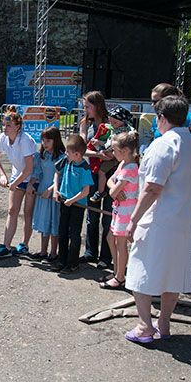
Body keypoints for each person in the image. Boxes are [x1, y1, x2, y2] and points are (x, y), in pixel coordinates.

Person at [123, 95, 191, 343]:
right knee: (172, 273)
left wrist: (133, 220)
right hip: (183, 221)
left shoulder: (164, 144)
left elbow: (152, 188)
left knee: (140, 272)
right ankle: (164, 323)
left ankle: (144, 326)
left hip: (157, 220)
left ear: (162, 118)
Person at [0, 109, 38, 258]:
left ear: (18, 126)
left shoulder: (25, 140)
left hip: (32, 178)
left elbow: (30, 168)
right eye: (4, 124)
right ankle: (5, 246)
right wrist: (3, 175)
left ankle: (24, 244)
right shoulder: (3, 138)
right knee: (12, 210)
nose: (4, 128)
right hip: (18, 175)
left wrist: (15, 183)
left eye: (8, 125)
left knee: (27, 212)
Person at [100, 131, 140, 290]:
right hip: (119, 208)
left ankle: (120, 276)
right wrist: (115, 189)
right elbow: (111, 182)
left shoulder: (130, 168)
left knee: (120, 243)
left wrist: (115, 190)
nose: (113, 153)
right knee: (111, 238)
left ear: (124, 151)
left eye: (115, 151)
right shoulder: (123, 165)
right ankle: (118, 270)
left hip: (126, 210)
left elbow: (112, 192)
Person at [79, 91, 113, 269]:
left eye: (87, 106)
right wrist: (97, 154)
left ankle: (106, 257)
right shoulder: (86, 123)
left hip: (110, 173)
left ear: (97, 106)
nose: (85, 110)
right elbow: (81, 148)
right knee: (91, 213)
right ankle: (90, 252)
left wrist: (108, 155)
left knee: (107, 215)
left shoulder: (111, 122)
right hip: (91, 172)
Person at [53, 134, 93, 273]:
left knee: (74, 234)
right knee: (62, 232)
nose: (65, 154)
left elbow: (86, 191)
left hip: (77, 205)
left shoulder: (85, 168)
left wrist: (72, 200)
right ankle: (61, 260)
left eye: (68, 152)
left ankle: (72, 263)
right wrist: (56, 190)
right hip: (64, 201)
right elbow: (57, 173)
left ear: (77, 154)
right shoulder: (66, 161)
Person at [29, 126, 65, 264]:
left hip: (55, 192)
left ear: (56, 140)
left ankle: (53, 252)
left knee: (54, 221)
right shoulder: (41, 156)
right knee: (44, 221)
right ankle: (43, 251)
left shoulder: (62, 157)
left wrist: (51, 190)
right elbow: (37, 172)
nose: (45, 143)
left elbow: (61, 178)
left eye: (48, 140)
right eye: (43, 140)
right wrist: (31, 184)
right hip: (42, 191)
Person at [149, 83, 191, 150]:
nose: (152, 105)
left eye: (156, 102)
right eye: (152, 101)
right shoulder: (156, 119)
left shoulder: (188, 118)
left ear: (168, 100)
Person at [90, 104, 134, 203]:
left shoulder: (124, 131)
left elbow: (114, 145)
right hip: (113, 152)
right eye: (111, 121)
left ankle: (100, 191)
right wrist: (99, 143)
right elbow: (109, 143)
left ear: (122, 121)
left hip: (115, 156)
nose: (112, 123)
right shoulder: (116, 129)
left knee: (102, 172)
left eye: (115, 122)